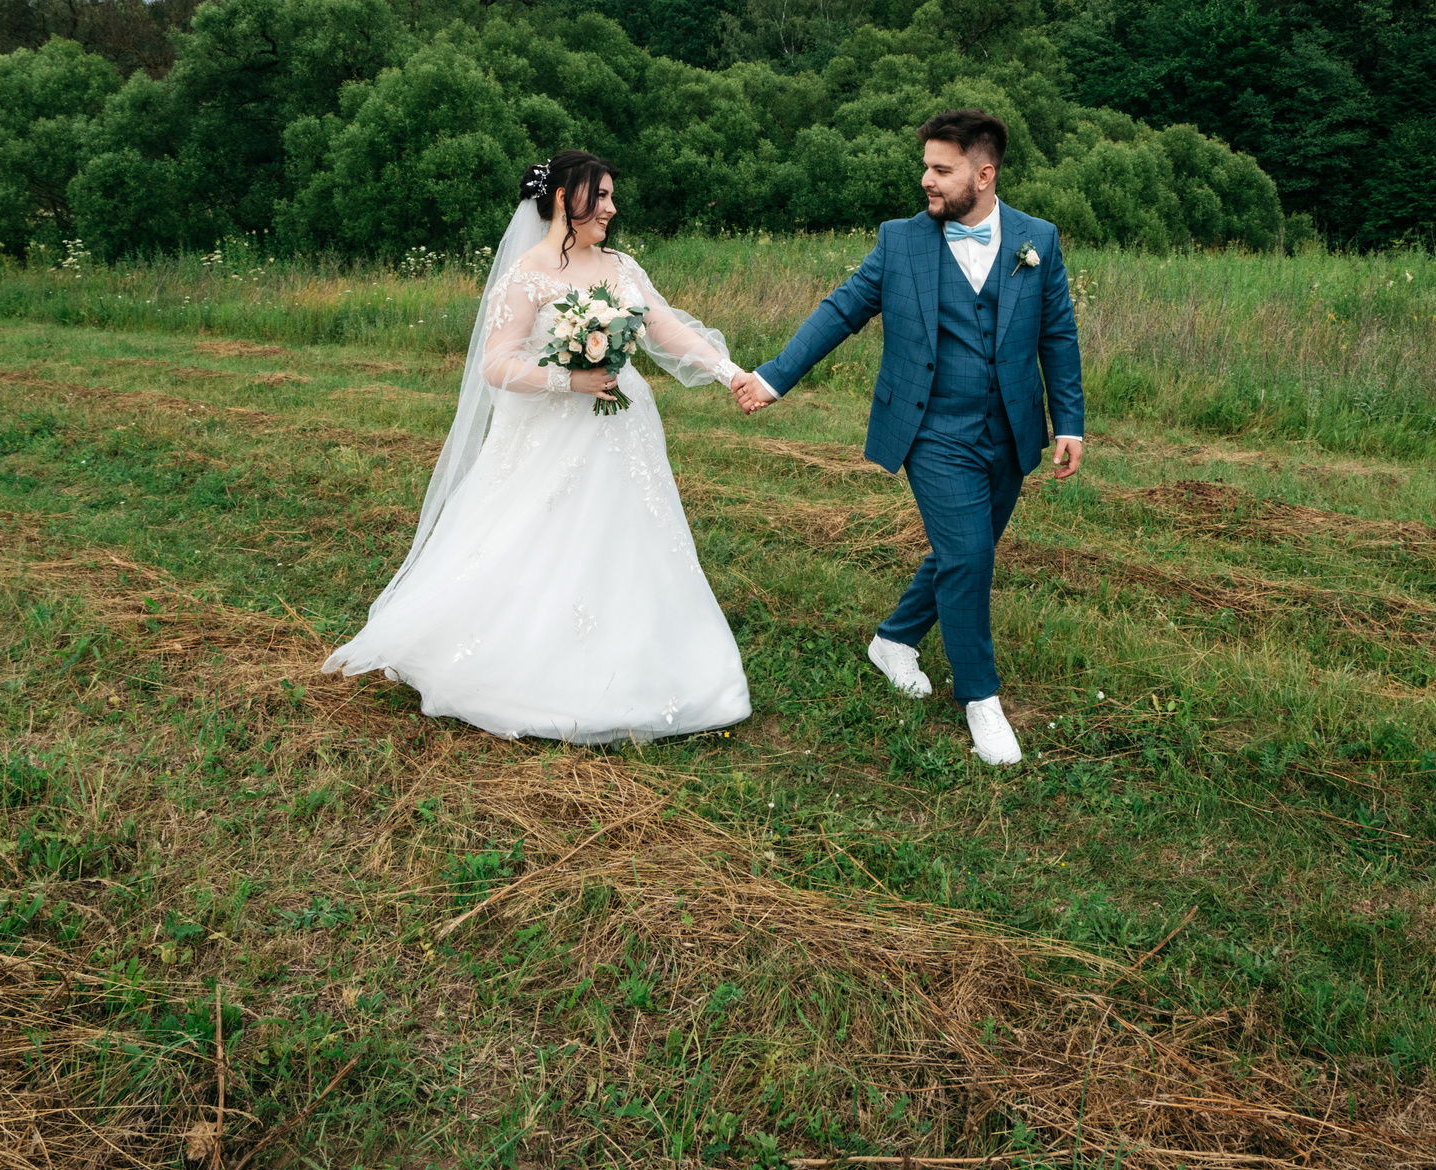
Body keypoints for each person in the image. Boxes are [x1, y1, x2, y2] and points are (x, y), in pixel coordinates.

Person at [321, 150, 752, 744]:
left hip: (622, 430)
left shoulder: (622, 265)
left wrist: (732, 373)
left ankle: (651, 657)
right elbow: (495, 364)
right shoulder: (527, 273)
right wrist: (570, 379)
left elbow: (665, 327)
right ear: (561, 200)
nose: (611, 207)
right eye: (598, 196)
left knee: (631, 537)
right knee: (539, 538)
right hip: (553, 432)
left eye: (609, 196)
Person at [730, 109, 1083, 765]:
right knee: (972, 558)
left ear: (984, 173)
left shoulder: (1039, 239)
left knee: (961, 553)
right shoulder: (901, 242)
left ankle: (895, 639)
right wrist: (776, 376)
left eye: (941, 169)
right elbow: (842, 309)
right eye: (925, 165)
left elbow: (1057, 334)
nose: (926, 179)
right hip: (931, 428)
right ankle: (981, 700)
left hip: (1011, 429)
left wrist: (1070, 421)